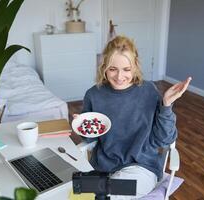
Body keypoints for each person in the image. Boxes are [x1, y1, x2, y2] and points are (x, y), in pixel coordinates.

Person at [75, 36, 191, 199]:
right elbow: (88, 138)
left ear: (135, 67)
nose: (119, 76)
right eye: (113, 69)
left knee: (105, 196)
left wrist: (166, 105)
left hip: (141, 168)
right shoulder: (94, 94)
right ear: (104, 67)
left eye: (126, 69)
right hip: (104, 168)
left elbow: (164, 140)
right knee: (72, 190)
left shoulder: (149, 91)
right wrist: (82, 124)